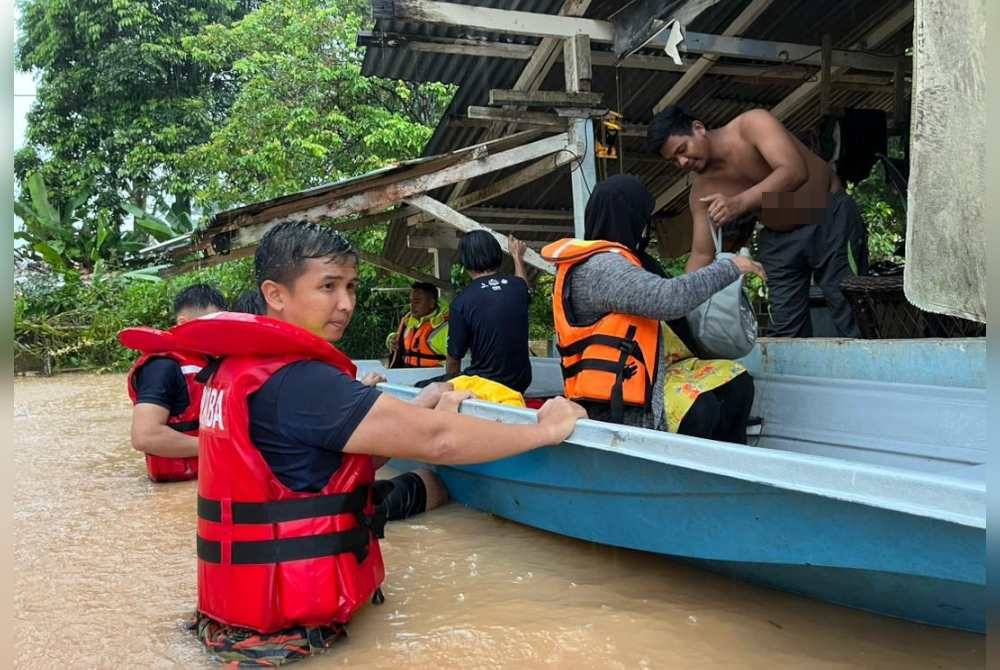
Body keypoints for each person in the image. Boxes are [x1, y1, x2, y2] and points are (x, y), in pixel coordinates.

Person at [172, 221, 585, 665]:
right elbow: (440, 441)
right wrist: (544, 429)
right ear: (275, 295)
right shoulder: (304, 381)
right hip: (292, 642)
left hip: (229, 627)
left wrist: (422, 407)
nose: (346, 303)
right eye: (327, 287)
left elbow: (324, 465)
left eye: (350, 286)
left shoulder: (237, 370)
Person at [542, 175, 765, 443]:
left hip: (653, 371)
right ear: (634, 219)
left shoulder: (634, 261)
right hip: (616, 393)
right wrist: (731, 267)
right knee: (699, 408)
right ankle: (681, 478)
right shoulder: (600, 267)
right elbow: (668, 299)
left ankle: (729, 468)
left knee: (737, 384)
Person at [645, 106, 869, 337]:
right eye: (674, 160)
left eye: (683, 149)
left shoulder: (751, 125)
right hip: (779, 238)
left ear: (698, 128)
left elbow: (794, 171)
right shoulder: (702, 191)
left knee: (851, 311)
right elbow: (702, 255)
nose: (682, 162)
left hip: (828, 216)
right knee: (785, 329)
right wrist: (675, 304)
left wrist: (738, 203)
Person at [121, 283, 226, 482]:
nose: (216, 333)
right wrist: (220, 449)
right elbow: (145, 436)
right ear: (182, 323)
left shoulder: (213, 363)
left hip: (208, 483)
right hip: (175, 485)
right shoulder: (162, 367)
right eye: (209, 325)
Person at [438, 231, 532, 403]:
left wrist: (449, 386)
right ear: (497, 254)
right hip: (520, 382)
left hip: (487, 385)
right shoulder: (518, 288)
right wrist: (517, 257)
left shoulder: (462, 302)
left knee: (420, 387)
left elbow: (454, 359)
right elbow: (524, 287)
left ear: (465, 262)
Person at [386, 282, 449, 368]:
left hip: (433, 378)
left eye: (417, 302)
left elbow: (455, 361)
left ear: (431, 303)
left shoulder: (445, 327)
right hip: (405, 375)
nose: (412, 305)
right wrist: (391, 340)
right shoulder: (408, 321)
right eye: (411, 301)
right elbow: (399, 345)